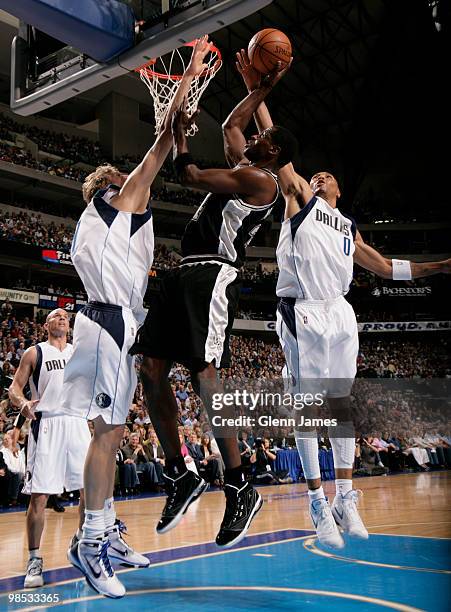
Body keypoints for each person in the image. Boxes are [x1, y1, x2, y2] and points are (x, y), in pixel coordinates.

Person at [235, 48, 451, 549]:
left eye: (327, 176)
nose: (319, 176)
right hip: (302, 310)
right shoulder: (300, 200)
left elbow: (388, 267)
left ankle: (345, 496)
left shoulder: (348, 226)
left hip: (340, 312)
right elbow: (279, 146)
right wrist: (260, 91)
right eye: (315, 174)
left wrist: (438, 267)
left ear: (340, 188)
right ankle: (316, 500)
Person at [60, 37, 213, 598]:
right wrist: (190, 74)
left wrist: (179, 128)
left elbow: (161, 149)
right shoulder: (114, 204)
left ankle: (107, 530)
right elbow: (154, 152)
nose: (138, 185)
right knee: (106, 437)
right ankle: (91, 542)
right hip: (108, 325)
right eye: (125, 180)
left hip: (110, 325)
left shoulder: (99, 226)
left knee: (112, 434)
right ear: (109, 189)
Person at [131, 58, 296, 548]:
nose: (255, 139)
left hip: (214, 275)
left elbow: (192, 175)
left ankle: (240, 482)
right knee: (151, 371)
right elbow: (231, 124)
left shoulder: (262, 182)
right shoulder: (248, 161)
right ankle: (180, 474)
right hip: (182, 274)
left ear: (275, 152)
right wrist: (257, 89)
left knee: (206, 377)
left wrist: (180, 134)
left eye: (266, 140)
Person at [8, 309, 89, 587]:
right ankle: (34, 559)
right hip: (48, 424)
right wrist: (22, 405)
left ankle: (81, 545)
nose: (62, 318)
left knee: (90, 490)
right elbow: (14, 389)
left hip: (77, 423)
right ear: (46, 324)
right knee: (39, 496)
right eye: (55, 315)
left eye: (66, 316)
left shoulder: (79, 351)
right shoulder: (35, 352)